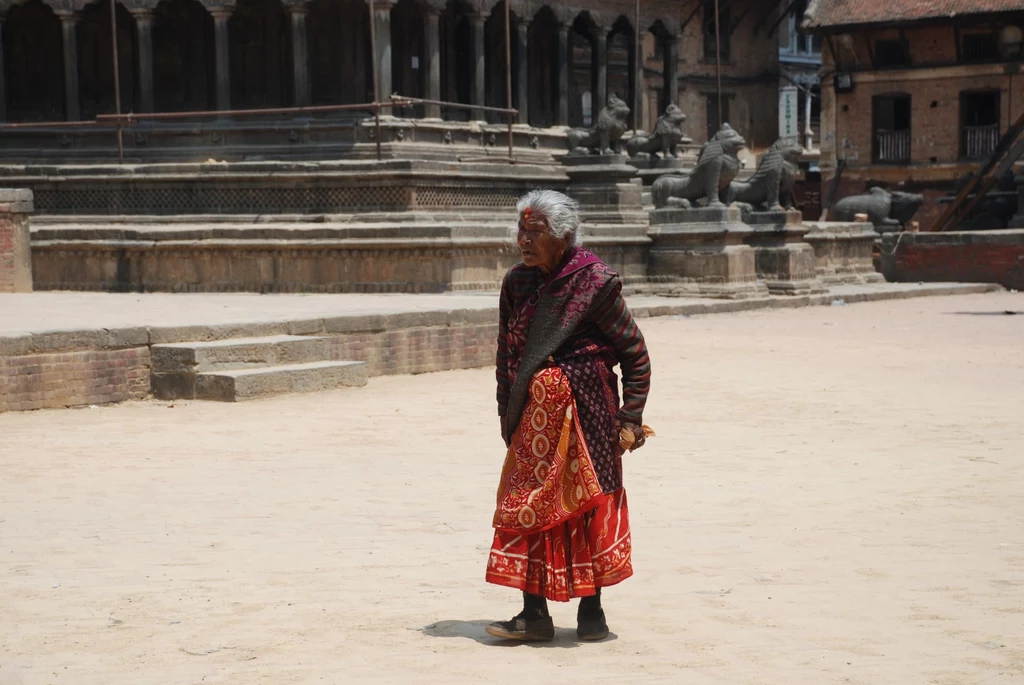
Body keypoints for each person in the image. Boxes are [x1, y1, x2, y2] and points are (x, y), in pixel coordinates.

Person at [485, 189, 652, 642]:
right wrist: (509, 412)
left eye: (534, 233)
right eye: (521, 230)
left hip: (588, 413)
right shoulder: (517, 283)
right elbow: (507, 355)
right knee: (529, 505)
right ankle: (533, 614)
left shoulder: (594, 282)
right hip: (533, 420)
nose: (523, 240)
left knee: (585, 503)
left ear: (562, 237)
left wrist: (630, 418)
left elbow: (635, 353)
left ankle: (592, 613)